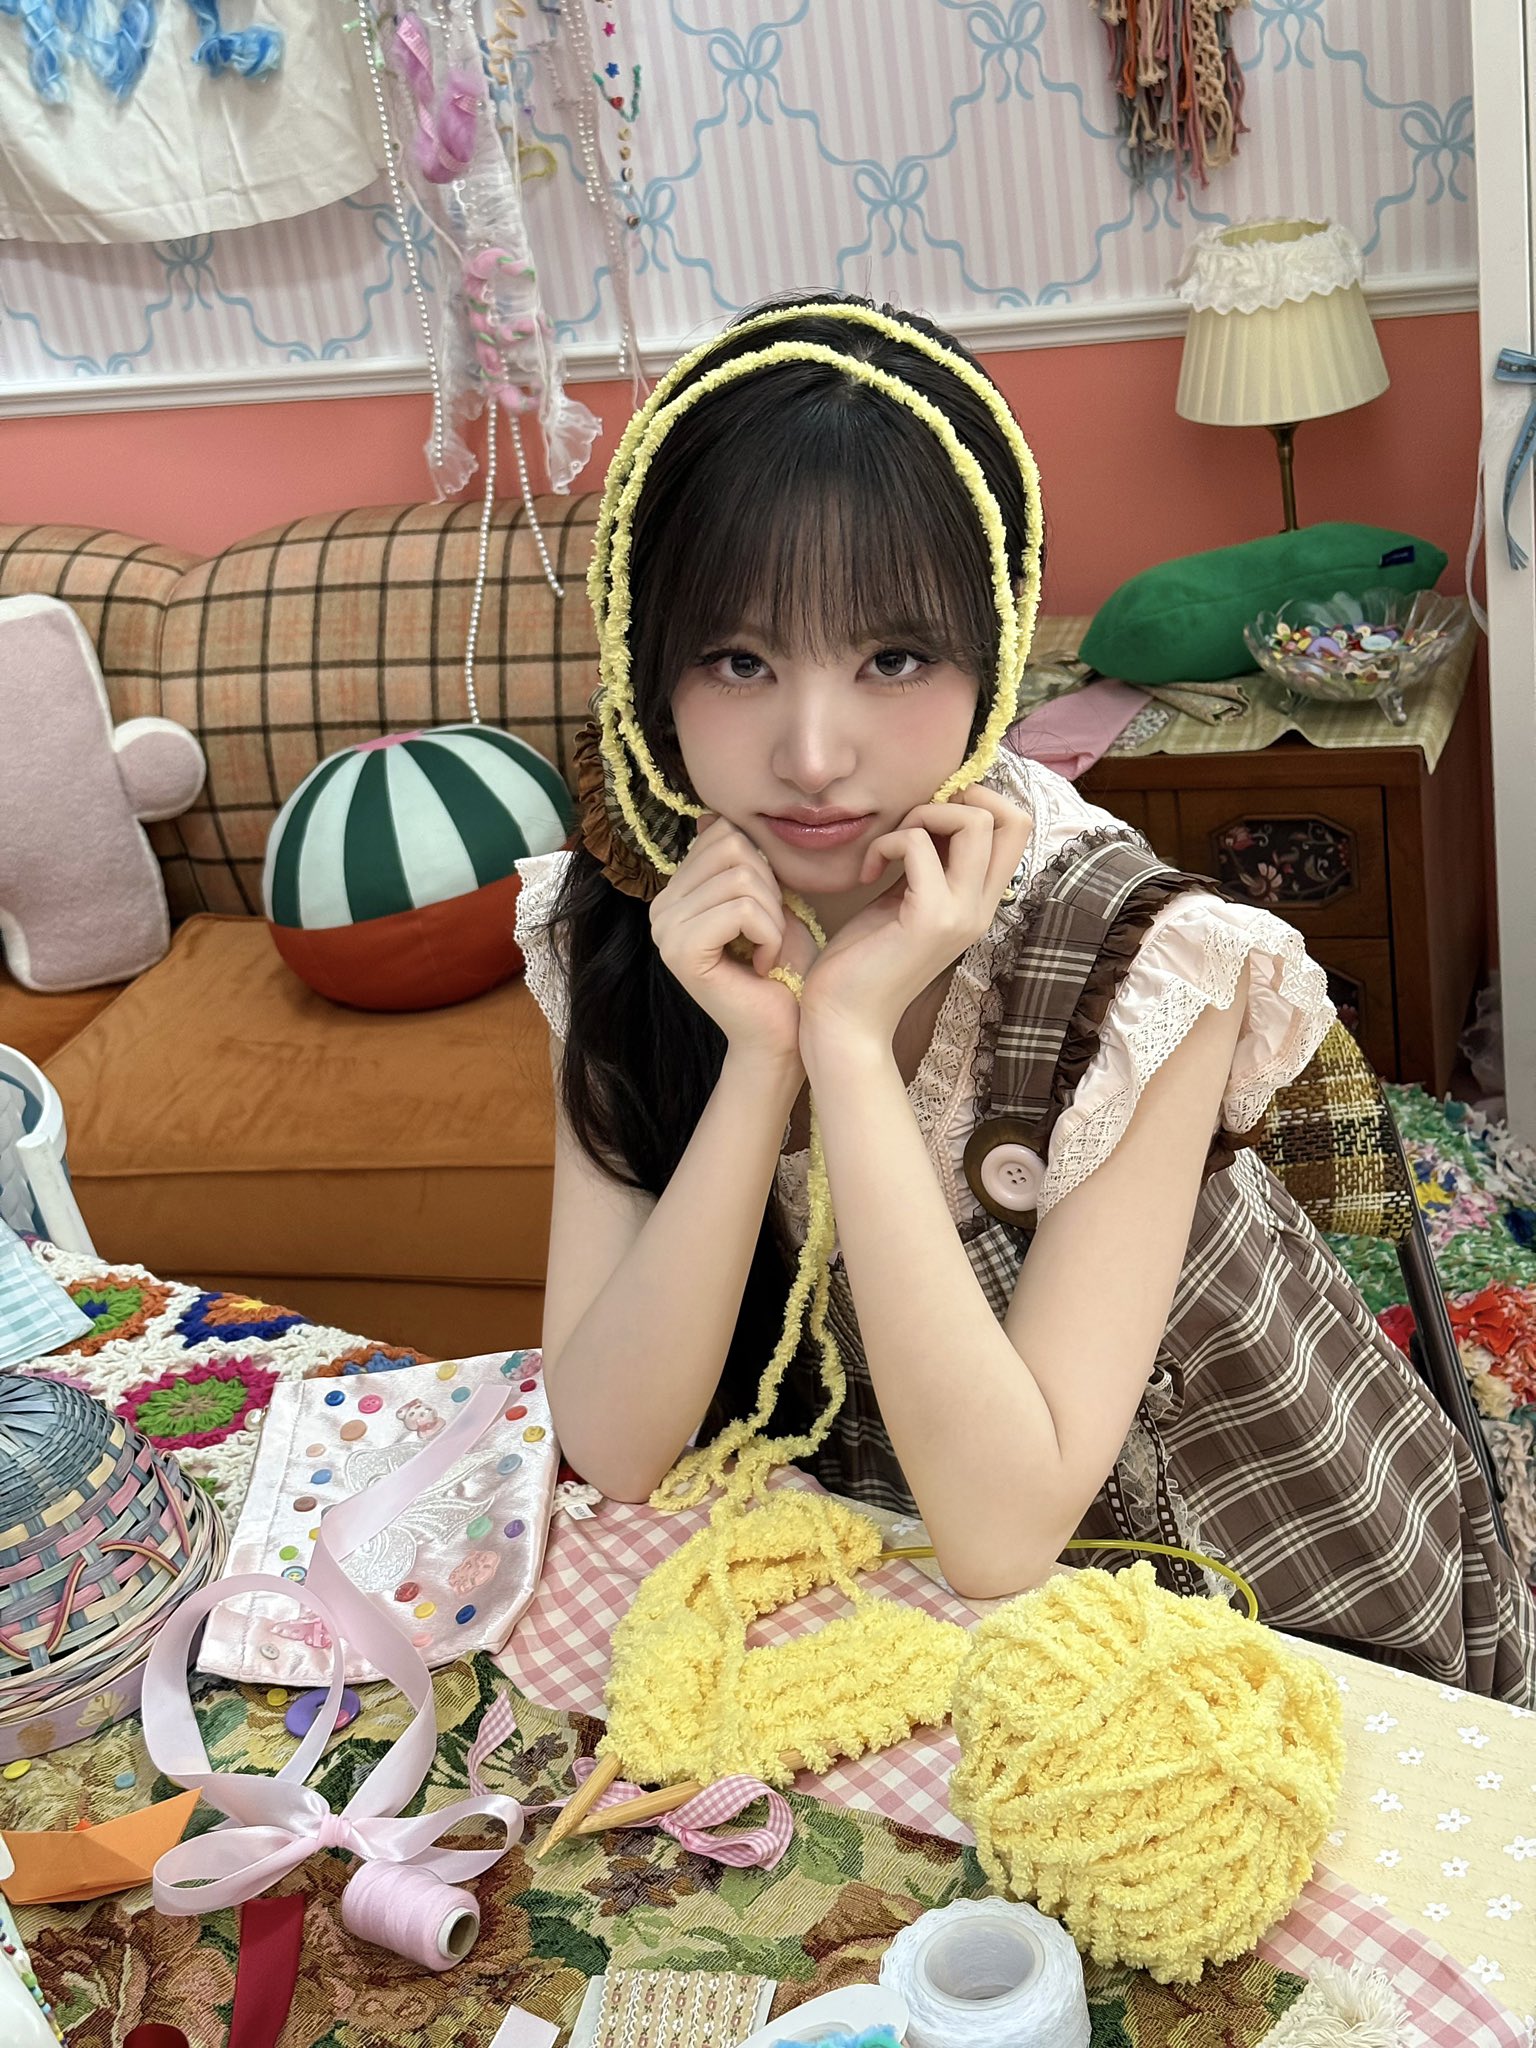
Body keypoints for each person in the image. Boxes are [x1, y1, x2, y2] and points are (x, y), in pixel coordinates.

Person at [515, 289, 1536, 1706]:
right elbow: (613, 1445)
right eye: (739, 661)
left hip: (1255, 1556)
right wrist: (762, 1060)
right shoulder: (629, 917)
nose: (812, 754)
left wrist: (850, 1045)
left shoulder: (1142, 954)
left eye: (892, 659)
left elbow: (1006, 1529)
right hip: (918, 1577)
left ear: (991, 653)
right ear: (651, 670)